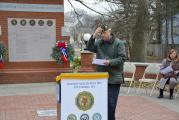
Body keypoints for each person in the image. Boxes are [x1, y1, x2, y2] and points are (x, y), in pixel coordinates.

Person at [87, 24, 127, 120]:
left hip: (114, 78)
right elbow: (89, 48)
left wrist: (110, 62)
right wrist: (94, 35)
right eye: (101, 34)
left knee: (111, 103)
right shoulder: (99, 43)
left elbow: (122, 58)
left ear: (109, 31)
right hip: (101, 77)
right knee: (101, 102)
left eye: (104, 33)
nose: (103, 36)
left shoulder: (119, 43)